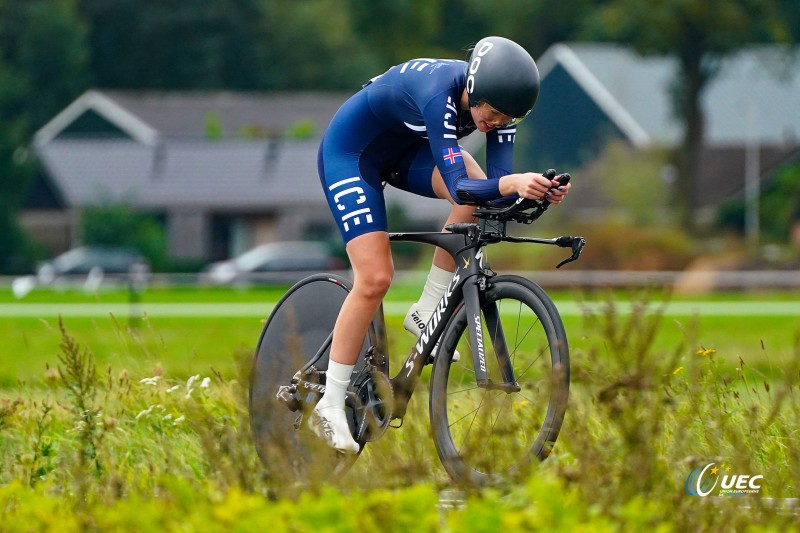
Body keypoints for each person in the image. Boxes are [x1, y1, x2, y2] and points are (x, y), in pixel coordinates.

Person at [314, 36, 570, 453]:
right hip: (352, 154)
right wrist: (510, 182)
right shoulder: (440, 93)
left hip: (404, 153)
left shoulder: (500, 108)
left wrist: (534, 190)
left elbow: (495, 189)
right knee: (376, 277)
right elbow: (461, 186)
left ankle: (428, 308)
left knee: (476, 192)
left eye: (506, 118)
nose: (493, 122)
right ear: (473, 87)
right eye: (490, 111)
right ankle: (328, 405)